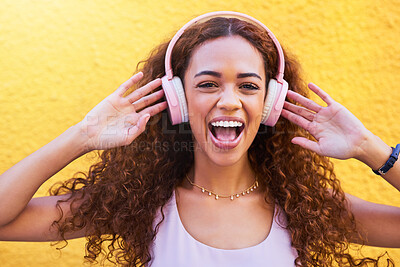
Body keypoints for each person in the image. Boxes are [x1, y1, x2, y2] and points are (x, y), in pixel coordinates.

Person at [0, 11, 398, 266]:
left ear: (271, 103)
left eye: (248, 86)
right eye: (207, 84)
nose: (229, 101)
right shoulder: (139, 204)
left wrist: (370, 149)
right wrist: (82, 136)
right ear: (177, 100)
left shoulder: (308, 209)